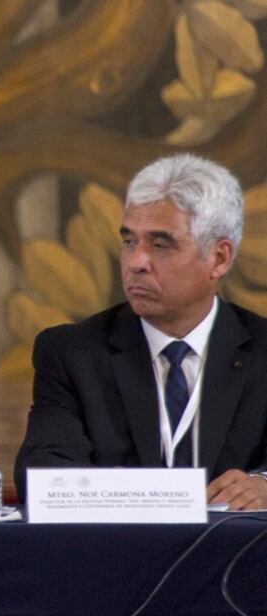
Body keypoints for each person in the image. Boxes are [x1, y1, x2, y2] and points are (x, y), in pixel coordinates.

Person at [15, 153, 267, 510]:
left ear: (219, 258)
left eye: (161, 245)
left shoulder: (262, 352)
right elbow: (42, 476)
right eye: (130, 241)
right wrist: (153, 498)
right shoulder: (72, 354)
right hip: (115, 559)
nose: (136, 263)